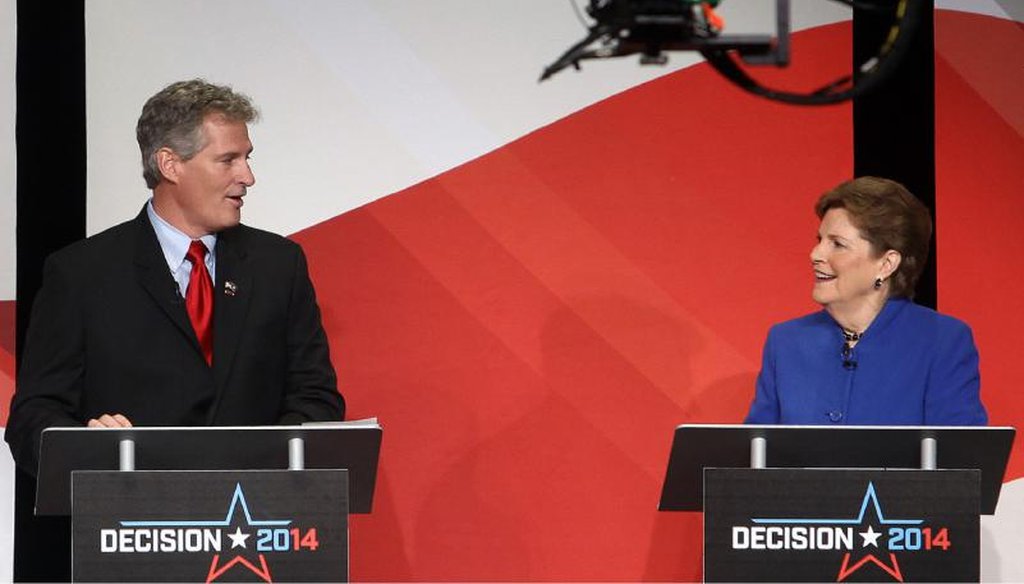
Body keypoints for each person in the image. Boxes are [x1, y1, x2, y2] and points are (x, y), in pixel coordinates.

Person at [6, 79, 345, 476]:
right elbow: (33, 417)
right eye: (228, 160)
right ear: (170, 165)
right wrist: (86, 445)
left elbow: (316, 398)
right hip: (131, 523)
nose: (248, 177)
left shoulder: (278, 265)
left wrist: (263, 462)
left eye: (247, 158)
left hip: (254, 521)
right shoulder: (82, 274)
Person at [744, 176, 987, 425]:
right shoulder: (786, 342)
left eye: (837, 244)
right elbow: (757, 454)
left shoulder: (942, 341)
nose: (815, 254)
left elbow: (960, 459)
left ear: (886, 264)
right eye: (820, 241)